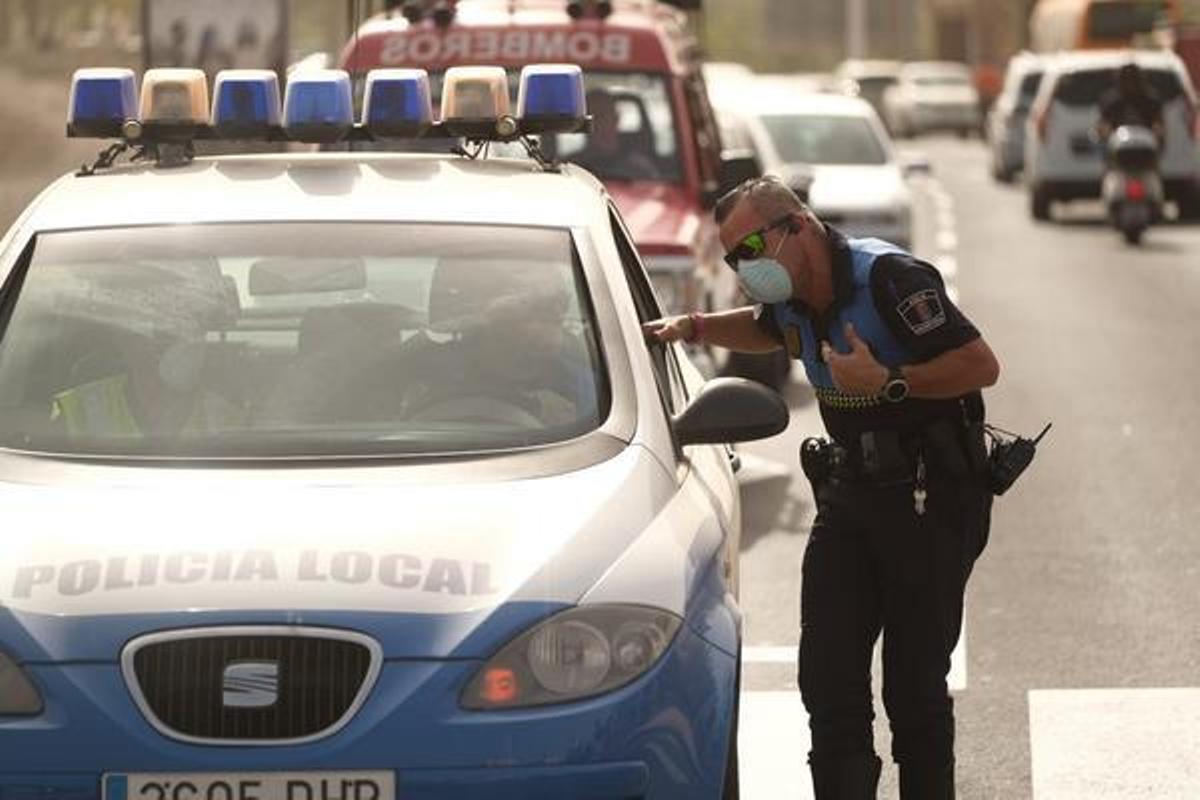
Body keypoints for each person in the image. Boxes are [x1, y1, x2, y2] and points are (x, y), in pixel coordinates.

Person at [644, 176, 1000, 799]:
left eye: (752, 246)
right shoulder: (792, 301)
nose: (745, 265)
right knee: (828, 681)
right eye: (734, 256)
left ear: (798, 226)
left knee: (913, 692)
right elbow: (765, 328)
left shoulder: (888, 279)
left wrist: (888, 380)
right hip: (848, 498)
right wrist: (693, 327)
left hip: (927, 500)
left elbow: (980, 364)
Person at [569, 89, 659, 180]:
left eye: (602, 115)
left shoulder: (638, 168)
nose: (597, 123)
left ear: (616, 118)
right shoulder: (570, 168)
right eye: (589, 117)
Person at [1098, 63, 1164, 143]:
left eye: (1133, 78)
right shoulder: (1111, 101)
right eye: (1126, 79)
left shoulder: (1150, 100)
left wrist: (1157, 133)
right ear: (1120, 80)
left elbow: (1157, 122)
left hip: (1146, 144)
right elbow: (1105, 123)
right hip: (1117, 144)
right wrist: (1106, 134)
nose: (1130, 83)